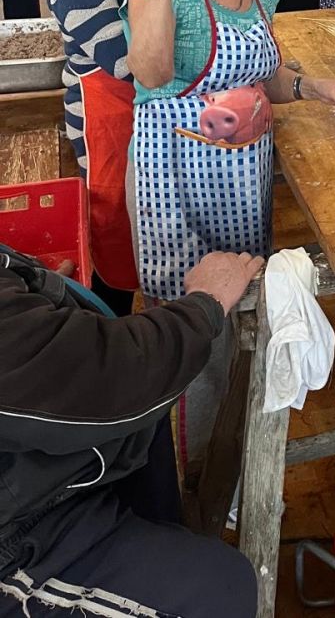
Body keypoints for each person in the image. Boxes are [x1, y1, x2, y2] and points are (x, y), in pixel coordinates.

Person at [120, 0, 335, 473]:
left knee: (242, 307)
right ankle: (189, 471)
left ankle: (238, 453)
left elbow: (264, 74)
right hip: (173, 174)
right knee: (190, 321)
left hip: (242, 177)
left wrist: (312, 86)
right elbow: (151, 73)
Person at [0, 244, 261, 617]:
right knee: (221, 589)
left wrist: (32, 288)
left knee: (146, 424)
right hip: (17, 537)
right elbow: (110, 376)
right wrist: (205, 304)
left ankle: (151, 541)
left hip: (30, 481)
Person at [47, 0, 141, 313]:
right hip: (107, 116)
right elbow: (122, 62)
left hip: (154, 105)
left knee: (154, 211)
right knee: (115, 216)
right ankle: (111, 322)